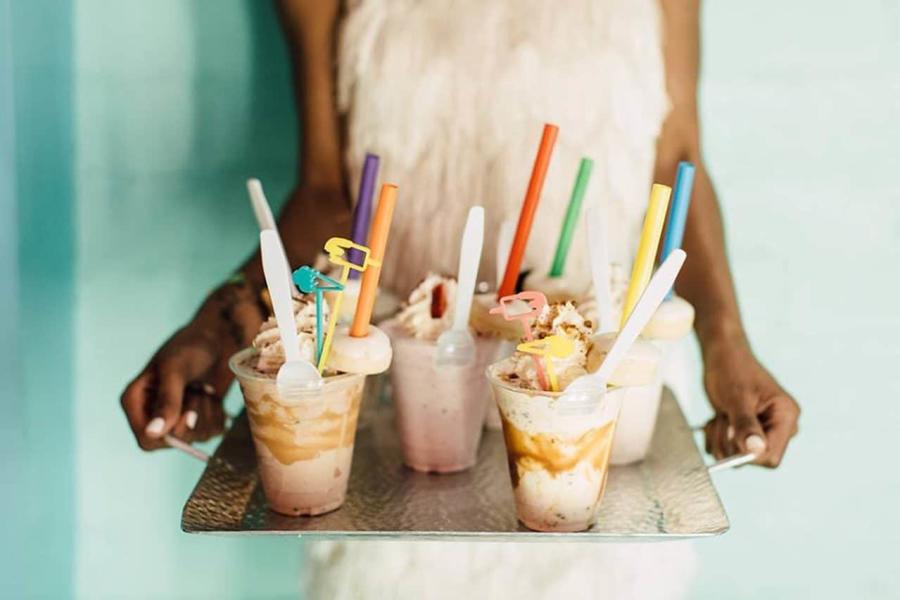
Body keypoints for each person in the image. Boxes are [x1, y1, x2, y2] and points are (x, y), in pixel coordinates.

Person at [121, 1, 800, 598]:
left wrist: (727, 347)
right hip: (399, 449)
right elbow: (326, 195)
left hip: (599, 420)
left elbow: (676, 163)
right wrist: (218, 320)